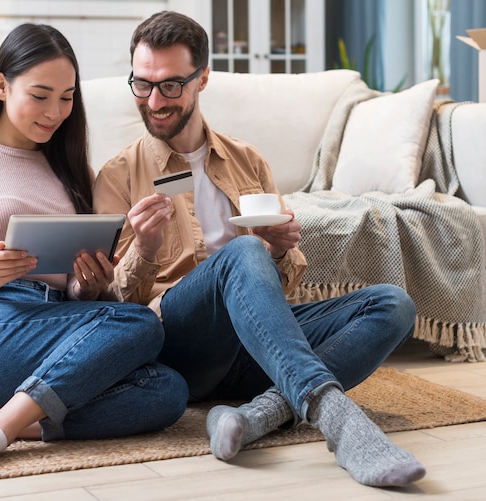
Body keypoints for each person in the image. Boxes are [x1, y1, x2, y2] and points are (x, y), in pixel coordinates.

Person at [93, 10, 426, 488]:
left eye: (170, 85)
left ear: (203, 78)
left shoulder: (247, 160)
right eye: (142, 85)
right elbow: (115, 312)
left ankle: (257, 415)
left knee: (393, 304)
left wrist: (276, 251)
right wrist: (142, 250)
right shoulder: (117, 176)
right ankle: (338, 420)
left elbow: (284, 281)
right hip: (182, 344)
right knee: (241, 254)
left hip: (258, 346)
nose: (154, 100)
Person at [0, 23, 188, 483]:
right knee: (141, 322)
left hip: (54, 329)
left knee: (168, 390)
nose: (55, 112)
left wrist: (90, 283)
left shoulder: (74, 169)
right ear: (2, 86)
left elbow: (79, 296)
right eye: (40, 95)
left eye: (66, 97)